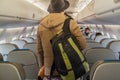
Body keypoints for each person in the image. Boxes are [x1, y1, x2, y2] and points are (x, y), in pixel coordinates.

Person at [37, 0, 87, 80]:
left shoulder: (41, 25)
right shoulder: (70, 23)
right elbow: (83, 44)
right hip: (70, 67)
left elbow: (39, 51)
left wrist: (44, 67)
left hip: (49, 71)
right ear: (63, 10)